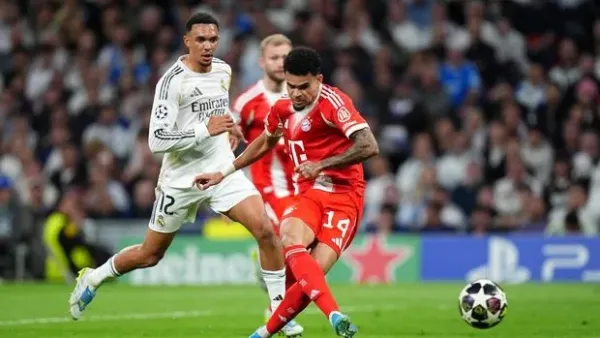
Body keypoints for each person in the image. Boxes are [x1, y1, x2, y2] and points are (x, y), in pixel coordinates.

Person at [68, 13, 287, 322]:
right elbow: (156, 141)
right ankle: (94, 277)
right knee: (150, 255)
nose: (208, 45)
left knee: (265, 230)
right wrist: (205, 130)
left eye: (213, 39)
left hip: (220, 170)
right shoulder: (172, 82)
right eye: (200, 40)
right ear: (187, 41)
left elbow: (217, 110)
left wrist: (230, 127)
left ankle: (280, 310)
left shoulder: (223, 70)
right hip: (182, 179)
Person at [194, 47, 379, 338]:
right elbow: (264, 142)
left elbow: (369, 145)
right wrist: (224, 171)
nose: (296, 94)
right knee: (289, 239)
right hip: (310, 194)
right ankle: (334, 315)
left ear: (318, 79)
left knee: (310, 275)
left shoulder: (334, 102)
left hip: (345, 197)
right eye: (291, 86)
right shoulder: (282, 107)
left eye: (304, 87)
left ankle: (263, 333)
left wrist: (322, 164)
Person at [232, 34, 303, 336]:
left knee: (306, 252)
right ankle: (276, 309)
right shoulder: (248, 101)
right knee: (295, 245)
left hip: (301, 185)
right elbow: (229, 138)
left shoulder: (302, 96)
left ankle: (266, 266)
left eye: (285, 57)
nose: (280, 63)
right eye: (274, 58)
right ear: (262, 62)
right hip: (267, 188)